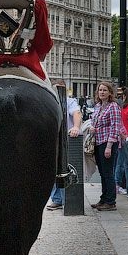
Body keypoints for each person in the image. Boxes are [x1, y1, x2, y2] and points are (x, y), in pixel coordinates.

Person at [46, 80, 82, 211]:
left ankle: (65, 199)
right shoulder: (49, 101)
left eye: (60, 88)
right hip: (53, 139)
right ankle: (57, 199)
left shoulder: (69, 101)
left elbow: (76, 113)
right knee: (53, 169)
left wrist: (76, 127)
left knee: (65, 168)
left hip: (66, 139)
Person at [87, 81, 122, 211]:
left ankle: (111, 201)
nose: (102, 92)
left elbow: (115, 126)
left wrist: (109, 146)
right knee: (102, 172)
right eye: (100, 90)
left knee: (108, 172)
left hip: (108, 142)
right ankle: (104, 198)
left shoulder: (113, 106)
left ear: (110, 93)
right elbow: (94, 121)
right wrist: (92, 127)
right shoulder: (98, 106)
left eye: (105, 90)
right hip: (98, 141)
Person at [113, 86, 128, 195]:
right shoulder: (120, 106)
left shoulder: (115, 104)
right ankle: (118, 185)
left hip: (115, 138)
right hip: (122, 138)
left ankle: (116, 184)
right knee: (121, 164)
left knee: (117, 164)